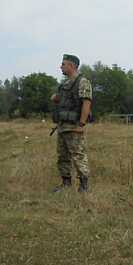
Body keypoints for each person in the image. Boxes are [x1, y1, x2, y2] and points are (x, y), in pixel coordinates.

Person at [51, 54, 92, 192]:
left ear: (72, 66)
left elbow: (86, 103)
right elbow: (60, 99)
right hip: (62, 126)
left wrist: (81, 125)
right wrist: (56, 98)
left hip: (74, 126)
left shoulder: (82, 82)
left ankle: (84, 186)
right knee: (62, 156)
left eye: (63, 64)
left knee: (78, 156)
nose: (61, 66)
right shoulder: (65, 84)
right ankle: (66, 183)